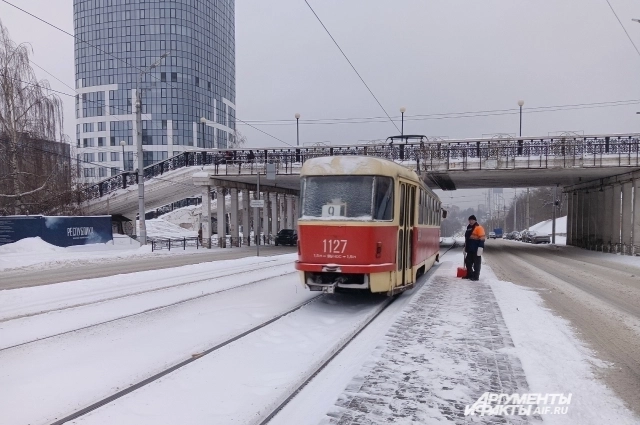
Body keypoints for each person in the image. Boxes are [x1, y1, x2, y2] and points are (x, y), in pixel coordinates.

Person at [464, 215, 486, 281]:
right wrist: (464, 247)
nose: (471, 221)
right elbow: (467, 239)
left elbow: (482, 238)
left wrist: (480, 247)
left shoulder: (479, 228)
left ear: (475, 220)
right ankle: (469, 275)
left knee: (476, 264)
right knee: (468, 262)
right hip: (470, 249)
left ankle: (476, 277)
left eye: (472, 220)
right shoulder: (469, 228)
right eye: (470, 220)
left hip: (476, 249)